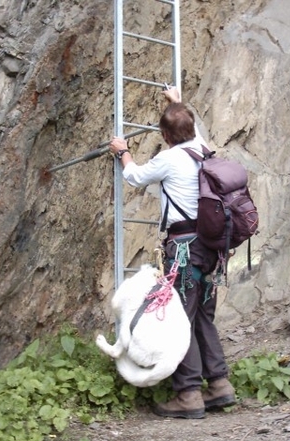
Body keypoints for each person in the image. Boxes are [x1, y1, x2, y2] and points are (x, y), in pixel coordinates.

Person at [109, 87, 236, 419]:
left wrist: (123, 151)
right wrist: (176, 102)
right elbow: (191, 126)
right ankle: (220, 384)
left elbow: (135, 176)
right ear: (192, 129)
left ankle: (189, 393)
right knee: (204, 316)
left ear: (165, 136)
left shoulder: (169, 158)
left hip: (184, 248)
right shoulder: (203, 149)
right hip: (211, 251)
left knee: (181, 320)